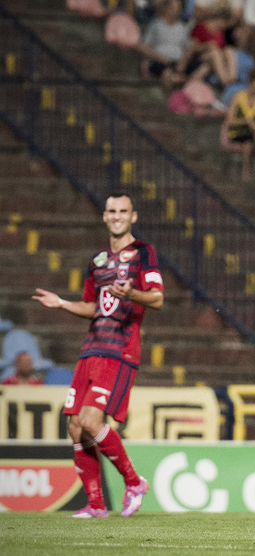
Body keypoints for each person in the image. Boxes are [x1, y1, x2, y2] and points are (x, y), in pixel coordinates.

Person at [31, 192, 163, 518]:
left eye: (123, 211)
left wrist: (132, 293)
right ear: (104, 216)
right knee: (76, 427)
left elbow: (157, 298)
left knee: (91, 421)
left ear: (133, 216)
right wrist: (62, 303)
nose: (117, 216)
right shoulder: (98, 260)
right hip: (91, 348)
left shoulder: (144, 253)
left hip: (119, 349)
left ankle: (134, 483)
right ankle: (96, 505)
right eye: (111, 211)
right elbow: (93, 307)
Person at [222, 68, 255, 182]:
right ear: (253, 82)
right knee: (249, 140)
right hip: (238, 131)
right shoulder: (238, 97)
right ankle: (246, 170)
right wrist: (247, 121)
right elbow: (230, 121)